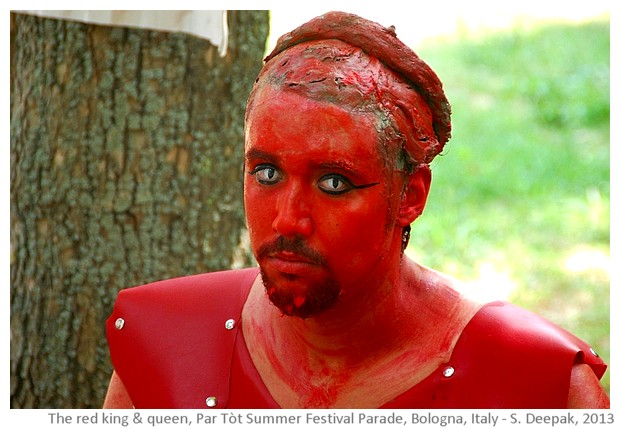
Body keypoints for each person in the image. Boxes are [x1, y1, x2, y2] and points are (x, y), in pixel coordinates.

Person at [103, 11, 609, 409]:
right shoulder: (165, 346)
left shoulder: (536, 381)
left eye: (333, 182)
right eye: (267, 173)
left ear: (410, 195)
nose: (287, 221)